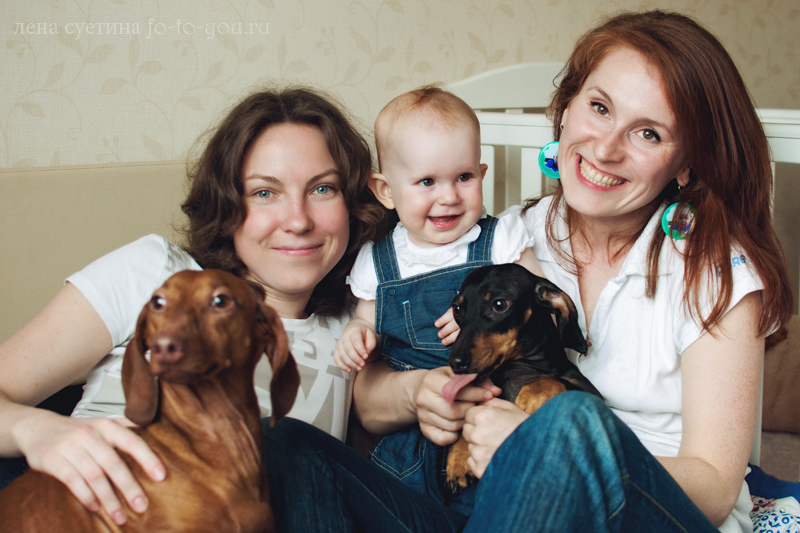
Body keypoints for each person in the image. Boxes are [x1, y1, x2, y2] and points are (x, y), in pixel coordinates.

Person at [263, 9, 793, 533]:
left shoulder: (716, 273)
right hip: (492, 503)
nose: (605, 149)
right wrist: (419, 393)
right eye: (599, 108)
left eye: (649, 134)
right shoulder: (508, 239)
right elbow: (372, 399)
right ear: (566, 109)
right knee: (291, 448)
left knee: (568, 419)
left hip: (646, 514)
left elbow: (716, 488)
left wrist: (544, 451)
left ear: (686, 163)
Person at [0, 87, 385, 527]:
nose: (298, 220)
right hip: (76, 513)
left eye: (323, 188)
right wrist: (37, 431)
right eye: (264, 192)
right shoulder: (155, 273)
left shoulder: (359, 326)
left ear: (353, 203)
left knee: (279, 444)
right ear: (227, 205)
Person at [331, 85, 539, 503]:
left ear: (482, 174)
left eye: (464, 177)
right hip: (410, 444)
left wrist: (485, 319)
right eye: (427, 181)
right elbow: (367, 322)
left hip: (492, 418)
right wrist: (356, 333)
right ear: (386, 191)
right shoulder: (378, 261)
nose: (448, 196)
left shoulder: (500, 240)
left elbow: (534, 303)